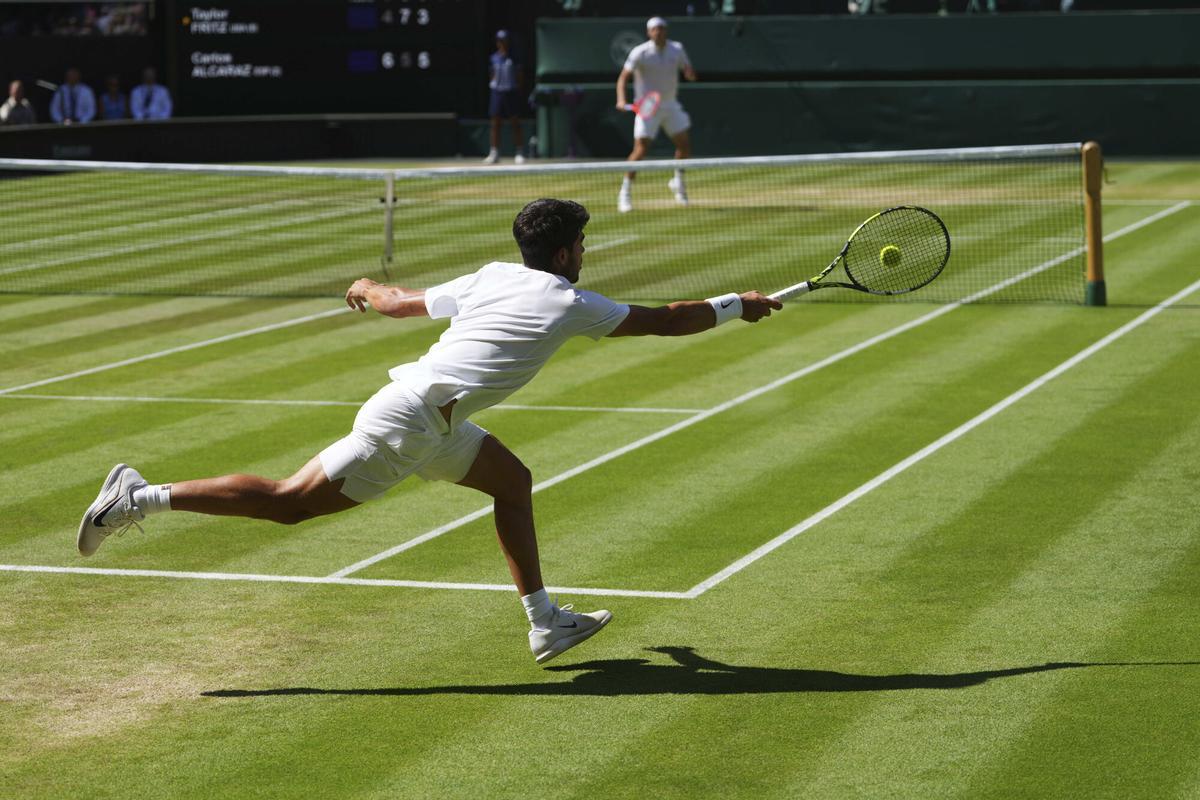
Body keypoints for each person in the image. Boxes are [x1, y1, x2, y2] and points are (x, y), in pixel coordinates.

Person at [77, 199, 782, 665]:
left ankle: (544, 621)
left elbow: (399, 303)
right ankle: (138, 497)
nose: (585, 252)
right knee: (289, 502)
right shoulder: (571, 302)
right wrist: (737, 305)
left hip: (437, 419)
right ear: (566, 253)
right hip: (409, 421)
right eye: (583, 243)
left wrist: (365, 287)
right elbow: (664, 317)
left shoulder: (492, 276)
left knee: (513, 482)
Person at [615, 16, 697, 213]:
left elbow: (690, 73)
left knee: (684, 147)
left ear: (665, 31)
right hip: (647, 108)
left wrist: (690, 74)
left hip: (670, 105)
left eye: (661, 29)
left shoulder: (677, 49)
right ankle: (624, 193)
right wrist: (621, 99)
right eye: (655, 29)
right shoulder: (640, 52)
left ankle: (677, 182)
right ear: (649, 32)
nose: (658, 32)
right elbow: (623, 78)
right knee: (640, 151)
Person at [483, 30, 525, 165]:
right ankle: (494, 153)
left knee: (515, 123)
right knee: (495, 124)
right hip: (497, 93)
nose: (503, 43)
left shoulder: (515, 58)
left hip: (511, 92)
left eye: (505, 40)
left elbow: (520, 76)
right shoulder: (493, 58)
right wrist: (495, 86)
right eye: (500, 41)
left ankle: (519, 153)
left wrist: (516, 88)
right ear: (497, 42)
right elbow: (492, 75)